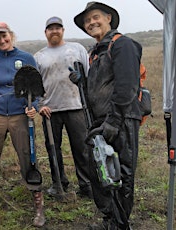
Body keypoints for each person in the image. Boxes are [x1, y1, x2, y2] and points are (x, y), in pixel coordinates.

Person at [74, 2, 142, 229]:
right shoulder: (96, 52)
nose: (91, 23)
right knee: (102, 173)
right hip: (100, 123)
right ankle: (110, 220)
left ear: (108, 18)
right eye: (87, 21)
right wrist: (82, 82)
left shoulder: (122, 44)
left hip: (120, 121)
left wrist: (114, 121)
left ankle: (120, 224)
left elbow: (127, 86)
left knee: (119, 174)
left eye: (95, 17)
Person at [0, 22, 45, 227]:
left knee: (27, 155)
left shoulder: (26, 58)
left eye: (4, 36)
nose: (2, 40)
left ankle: (38, 202)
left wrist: (34, 107)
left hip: (20, 115)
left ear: (11, 35)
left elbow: (37, 88)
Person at [34, 16, 92, 198]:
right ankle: (59, 183)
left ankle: (87, 185)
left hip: (76, 106)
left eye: (58, 28)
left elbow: (89, 75)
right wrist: (40, 105)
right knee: (53, 148)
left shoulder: (77, 49)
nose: (54, 31)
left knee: (81, 147)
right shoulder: (39, 56)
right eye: (50, 28)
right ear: (45, 33)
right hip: (50, 110)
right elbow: (35, 86)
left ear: (63, 30)